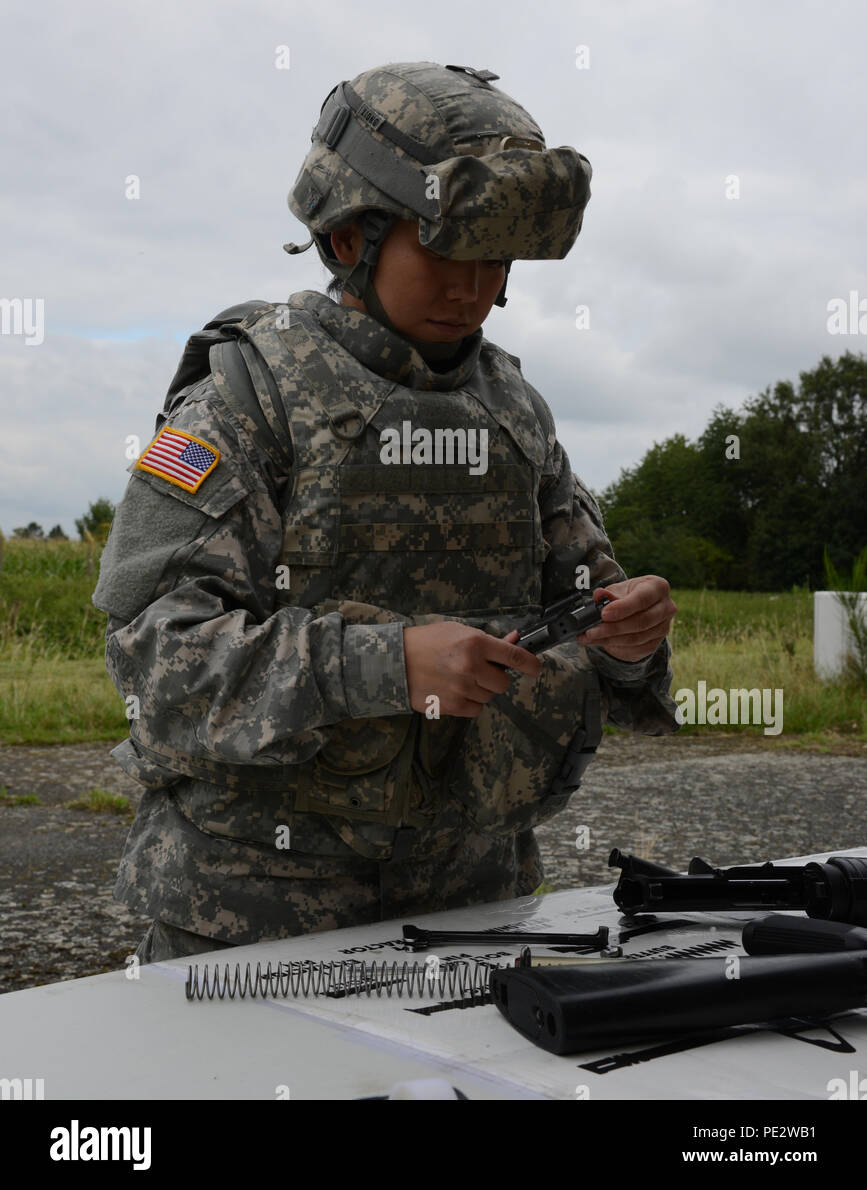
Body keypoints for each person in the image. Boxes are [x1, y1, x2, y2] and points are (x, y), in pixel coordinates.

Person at [93, 61, 679, 965]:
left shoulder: (513, 414)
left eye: (498, 258)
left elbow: (586, 613)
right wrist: (385, 666)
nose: (475, 286)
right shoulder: (247, 401)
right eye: (446, 252)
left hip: (474, 909)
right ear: (346, 239)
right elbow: (153, 665)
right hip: (250, 923)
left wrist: (632, 645)